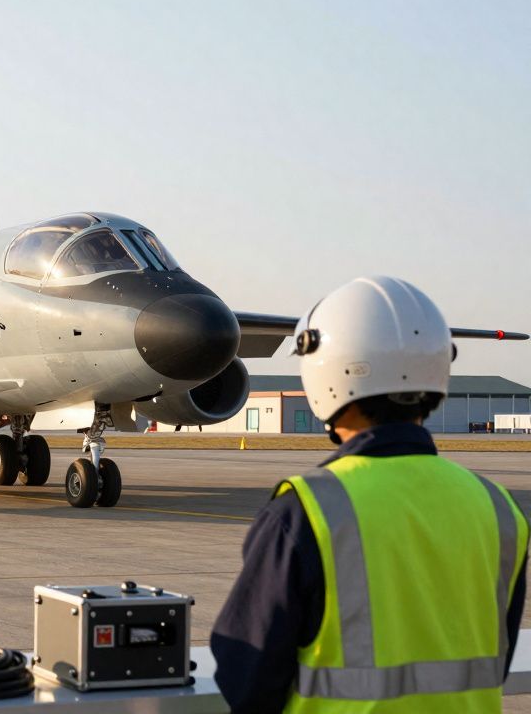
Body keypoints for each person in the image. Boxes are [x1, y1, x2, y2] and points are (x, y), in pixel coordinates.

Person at [211, 276, 528, 713]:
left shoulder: (307, 512)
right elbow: (498, 657)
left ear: (327, 371)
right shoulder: (499, 509)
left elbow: (243, 674)